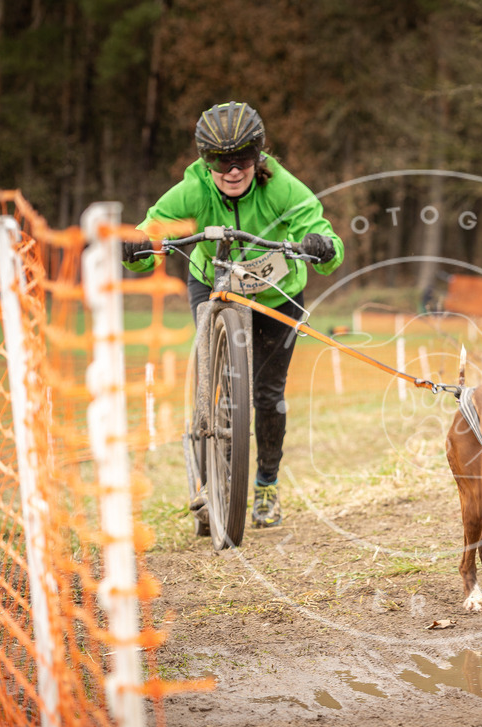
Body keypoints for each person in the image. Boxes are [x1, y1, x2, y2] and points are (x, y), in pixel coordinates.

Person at [122, 101, 344, 528]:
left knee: (267, 395)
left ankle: (265, 484)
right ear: (205, 162)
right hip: (213, 284)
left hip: (277, 294)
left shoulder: (282, 187)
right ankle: (211, 479)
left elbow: (321, 229)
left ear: (258, 155)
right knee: (217, 388)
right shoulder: (193, 190)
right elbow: (153, 231)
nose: (232, 170)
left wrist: (323, 245)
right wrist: (135, 249)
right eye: (219, 161)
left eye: (242, 158)